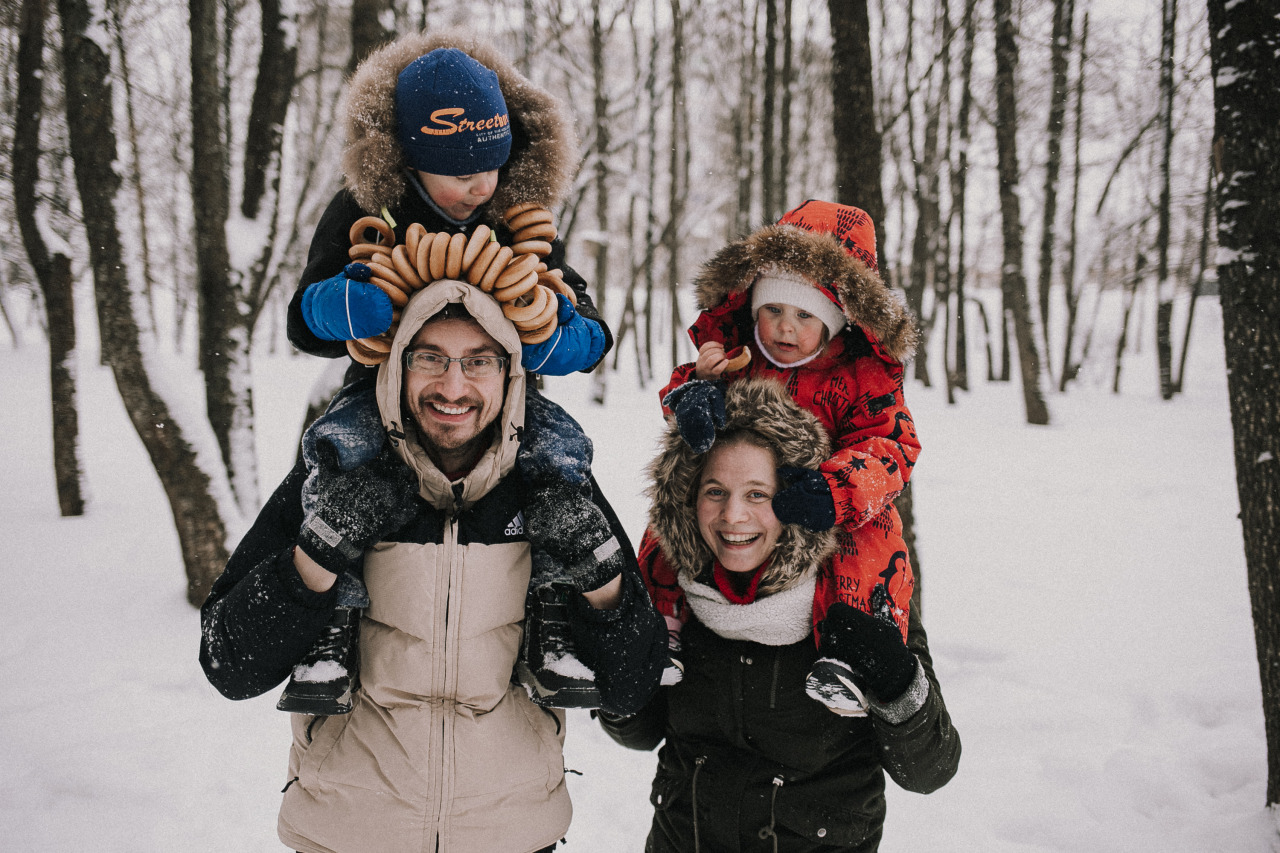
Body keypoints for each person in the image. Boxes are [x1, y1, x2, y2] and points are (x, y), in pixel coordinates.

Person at [200, 281, 668, 853]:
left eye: (479, 361)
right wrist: (318, 553)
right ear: (397, 365)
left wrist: (600, 575)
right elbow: (230, 666)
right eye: (430, 358)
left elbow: (631, 689)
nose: (453, 386)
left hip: (513, 836)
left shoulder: (553, 481)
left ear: (511, 373)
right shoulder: (338, 472)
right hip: (347, 835)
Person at [278, 31, 619, 712]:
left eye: (493, 165)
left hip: (504, 399)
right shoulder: (363, 210)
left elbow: (587, 320)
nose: (480, 185)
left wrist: (560, 336)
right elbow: (302, 322)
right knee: (339, 460)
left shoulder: (515, 217)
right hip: (384, 390)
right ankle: (333, 625)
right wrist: (343, 304)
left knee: (559, 460)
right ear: (409, 161)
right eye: (459, 172)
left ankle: (553, 613)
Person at [601, 378, 960, 852]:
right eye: (715, 491)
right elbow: (638, 733)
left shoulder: (857, 590)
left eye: (757, 494)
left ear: (794, 499)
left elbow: (929, 770)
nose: (733, 516)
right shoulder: (670, 589)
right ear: (688, 496)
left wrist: (896, 680)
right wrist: (617, 664)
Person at [645, 199, 921, 714]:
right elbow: (679, 400)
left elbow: (892, 446)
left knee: (871, 542)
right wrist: (696, 393)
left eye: (804, 315)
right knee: (673, 514)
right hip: (741, 493)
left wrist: (838, 490)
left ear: (836, 322)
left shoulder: (860, 377)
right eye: (772, 310)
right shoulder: (737, 356)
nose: (784, 329)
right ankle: (659, 623)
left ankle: (851, 647)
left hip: (819, 501)